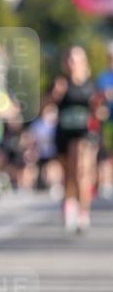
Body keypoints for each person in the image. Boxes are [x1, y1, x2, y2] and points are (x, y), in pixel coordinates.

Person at [47, 45, 98, 233]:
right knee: (68, 174)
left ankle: (83, 211)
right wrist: (55, 95)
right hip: (64, 133)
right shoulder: (60, 83)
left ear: (82, 62)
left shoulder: (90, 85)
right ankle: (70, 206)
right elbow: (44, 107)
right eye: (68, 59)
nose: (71, 63)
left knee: (81, 172)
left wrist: (98, 108)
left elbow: (98, 111)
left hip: (84, 133)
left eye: (75, 59)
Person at [95, 41, 113, 199]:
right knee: (106, 154)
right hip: (108, 121)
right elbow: (97, 100)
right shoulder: (103, 77)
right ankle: (106, 183)